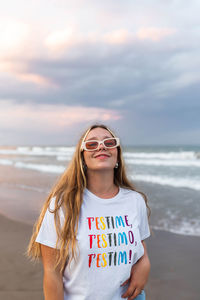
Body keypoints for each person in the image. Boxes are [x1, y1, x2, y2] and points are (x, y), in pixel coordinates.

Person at [27, 124, 151, 300]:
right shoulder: (63, 204)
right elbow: (52, 272)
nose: (102, 146)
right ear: (82, 158)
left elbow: (140, 248)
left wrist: (145, 264)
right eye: (92, 144)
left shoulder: (135, 200)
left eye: (109, 142)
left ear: (117, 155)